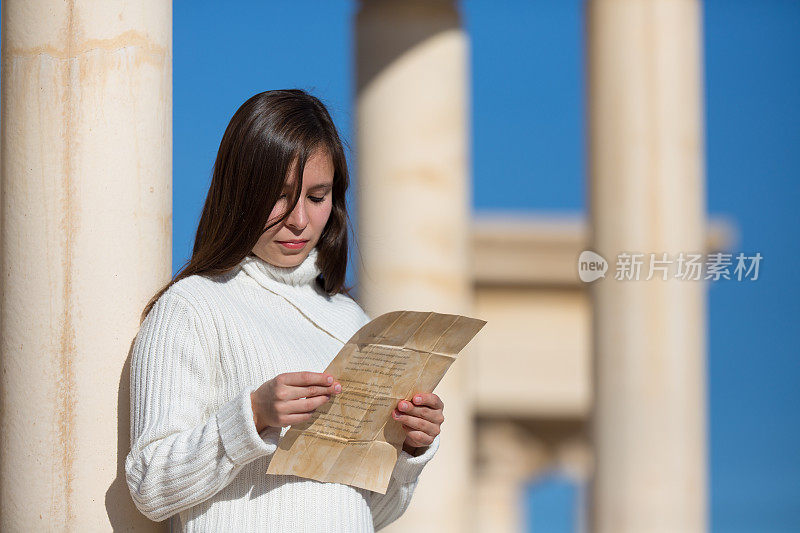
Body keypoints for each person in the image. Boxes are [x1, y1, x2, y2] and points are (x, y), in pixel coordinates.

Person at [125, 89, 444, 532]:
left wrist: (409, 450)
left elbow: (366, 512)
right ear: (240, 191)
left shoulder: (351, 321)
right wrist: (253, 415)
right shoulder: (193, 306)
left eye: (317, 197)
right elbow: (148, 484)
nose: (299, 220)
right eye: (280, 196)